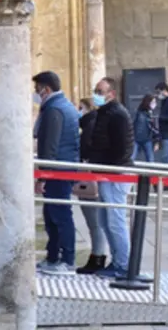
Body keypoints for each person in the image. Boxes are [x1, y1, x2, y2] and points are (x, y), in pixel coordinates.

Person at [34, 71, 79, 275]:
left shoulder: (54, 110)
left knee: (60, 215)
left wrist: (43, 175)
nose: (36, 94)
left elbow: (50, 146)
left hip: (58, 170)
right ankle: (53, 256)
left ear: (47, 89)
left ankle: (67, 259)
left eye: (37, 89)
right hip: (64, 167)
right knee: (52, 215)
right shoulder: (64, 105)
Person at [89, 77, 134, 279]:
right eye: (96, 90)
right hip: (106, 172)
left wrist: (109, 167)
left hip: (115, 173)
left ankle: (123, 264)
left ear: (111, 94)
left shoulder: (117, 114)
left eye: (100, 91)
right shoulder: (104, 113)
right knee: (106, 220)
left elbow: (123, 148)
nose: (96, 94)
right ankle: (117, 261)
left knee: (115, 220)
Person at [75, 96, 110, 275]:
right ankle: (98, 255)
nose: (77, 110)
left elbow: (87, 150)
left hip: (90, 179)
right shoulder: (93, 124)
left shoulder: (90, 126)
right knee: (97, 221)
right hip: (95, 177)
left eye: (79, 107)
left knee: (94, 221)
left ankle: (98, 256)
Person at [133, 94, 157, 162]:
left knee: (150, 159)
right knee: (149, 159)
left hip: (145, 139)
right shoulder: (143, 114)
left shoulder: (149, 113)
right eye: (153, 102)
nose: (155, 104)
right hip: (142, 139)